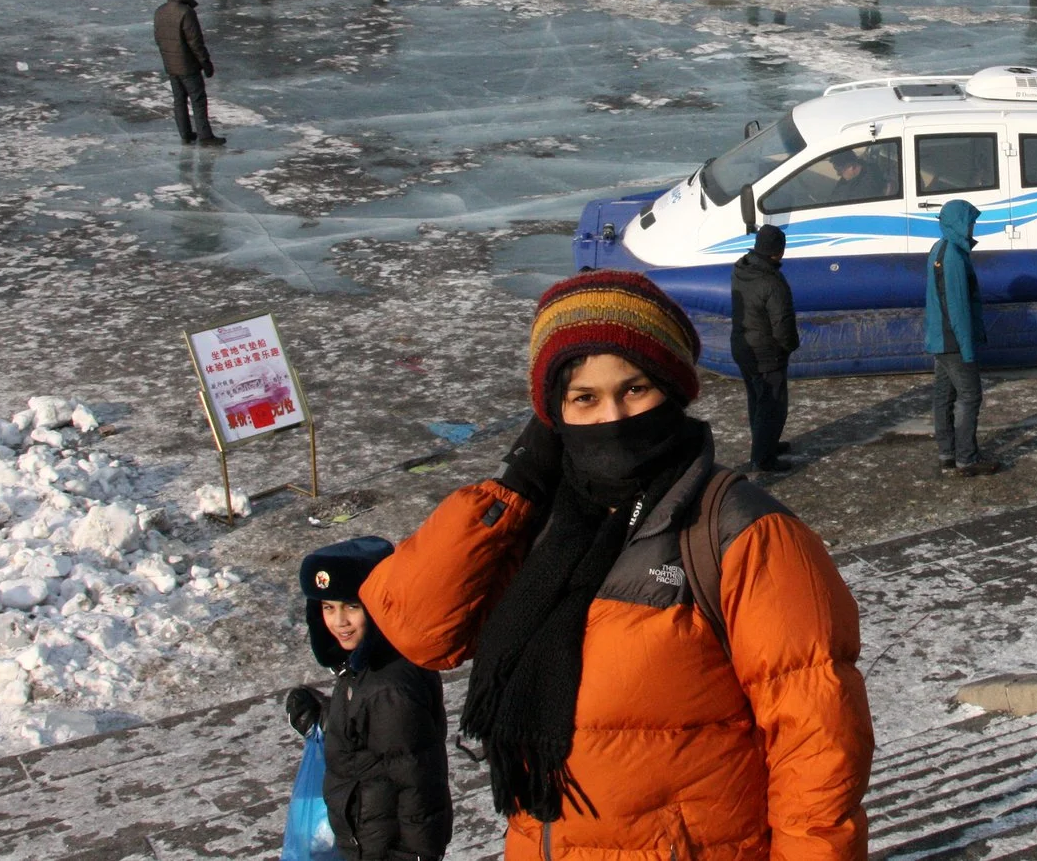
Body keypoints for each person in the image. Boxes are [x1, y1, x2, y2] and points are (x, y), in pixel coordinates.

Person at [356, 271, 872, 861]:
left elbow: (819, 745)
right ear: (553, 416)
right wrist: (515, 486)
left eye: (635, 389)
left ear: (673, 391)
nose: (612, 417)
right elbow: (421, 629)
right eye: (584, 398)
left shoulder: (740, 532)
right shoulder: (543, 525)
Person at [282, 537, 450, 861]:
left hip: (385, 850)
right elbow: (370, 739)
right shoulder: (362, 667)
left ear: (378, 605)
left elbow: (418, 785)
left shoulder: (389, 687)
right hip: (364, 842)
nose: (339, 621)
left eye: (351, 607)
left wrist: (413, 855)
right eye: (328, 607)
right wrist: (325, 719)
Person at [924, 199, 998, 476]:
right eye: (970, 222)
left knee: (943, 396)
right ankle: (967, 458)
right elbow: (958, 307)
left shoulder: (939, 249)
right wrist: (968, 349)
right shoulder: (954, 256)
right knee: (970, 396)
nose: (973, 227)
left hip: (939, 339)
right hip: (953, 341)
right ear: (959, 223)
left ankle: (947, 454)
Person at [731, 225, 800, 472]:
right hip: (766, 353)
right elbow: (782, 321)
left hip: (743, 346)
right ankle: (763, 458)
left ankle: (765, 444)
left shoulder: (742, 269)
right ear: (777, 252)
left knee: (757, 400)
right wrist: (790, 346)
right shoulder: (772, 283)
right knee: (773, 405)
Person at [152, 0, 224, 145]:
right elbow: (195, 42)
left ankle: (185, 133)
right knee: (198, 99)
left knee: (179, 99)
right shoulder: (186, 12)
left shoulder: (160, 11)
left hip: (170, 65)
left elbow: (158, 38)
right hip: (188, 66)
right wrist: (206, 63)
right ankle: (205, 136)